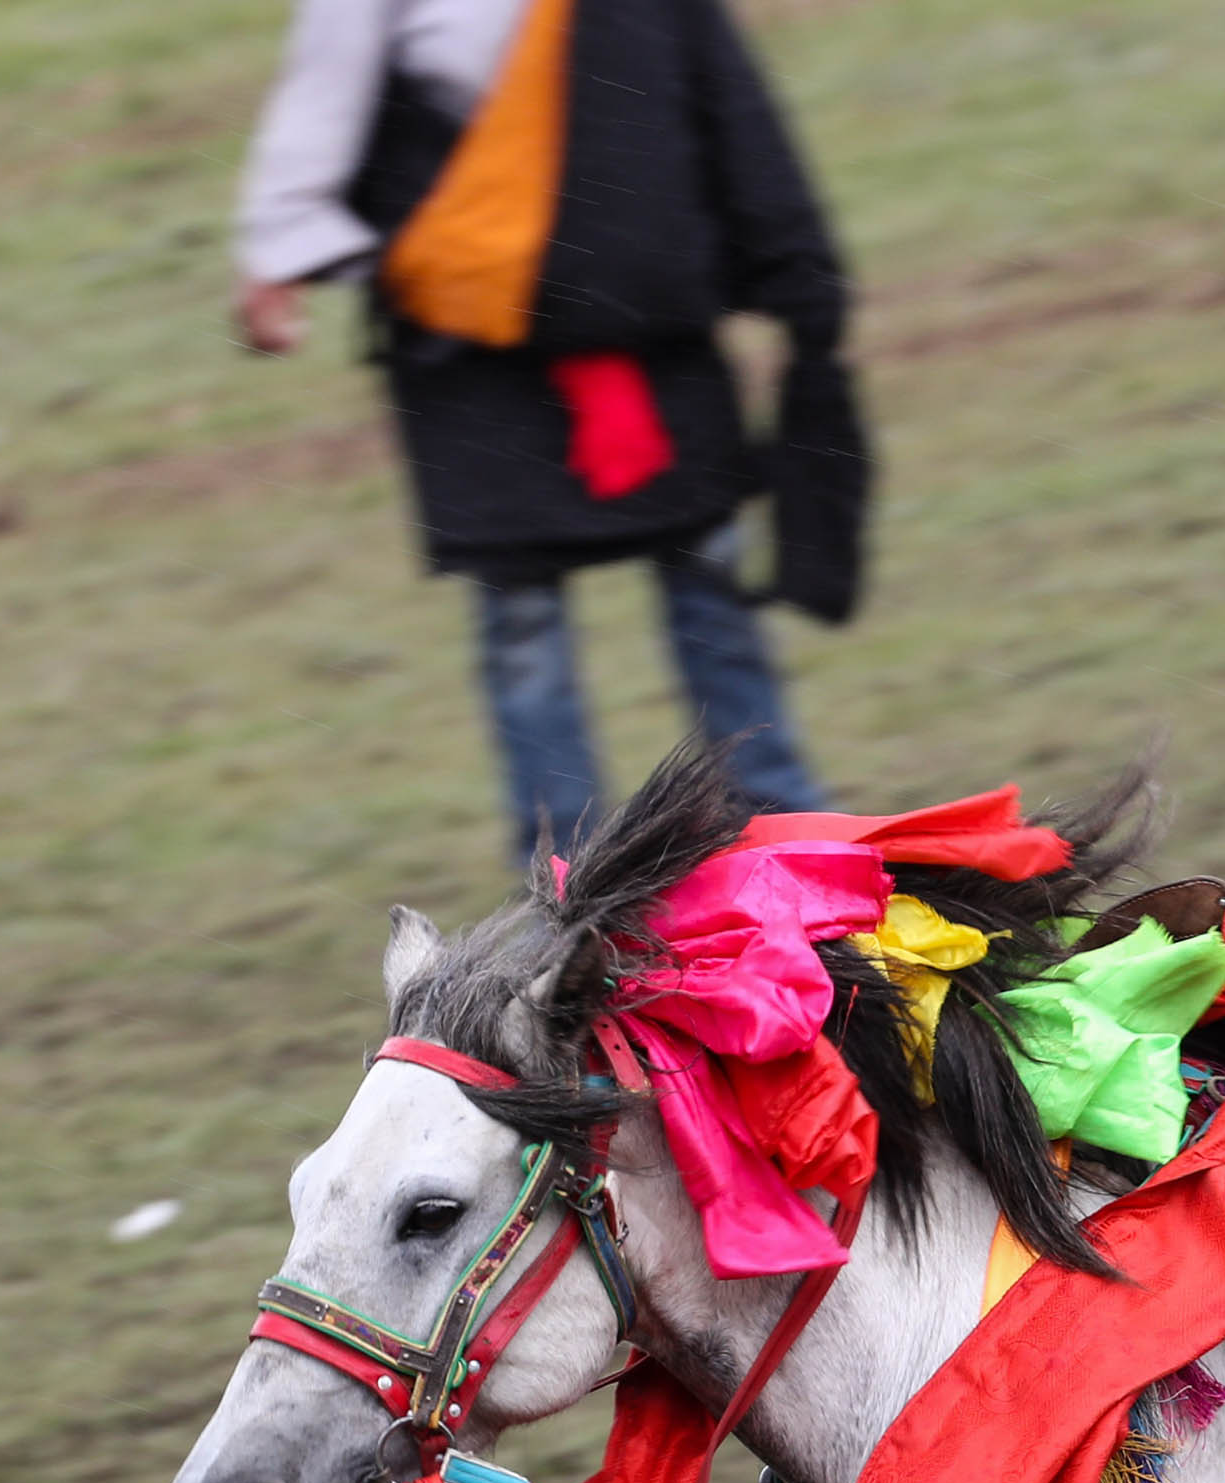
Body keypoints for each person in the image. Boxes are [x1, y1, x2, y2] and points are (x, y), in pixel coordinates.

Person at [233, 0, 867, 862]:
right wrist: (278, 254)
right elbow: (325, 88)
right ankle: (565, 874)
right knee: (523, 621)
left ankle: (784, 821)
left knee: (708, 578)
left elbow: (723, 97)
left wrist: (797, 266)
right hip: (476, 338)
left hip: (644, 312)